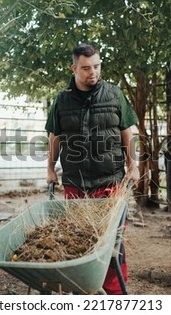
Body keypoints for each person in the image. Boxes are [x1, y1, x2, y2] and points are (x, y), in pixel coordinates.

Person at [45, 43, 140, 294]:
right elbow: (55, 136)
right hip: (75, 183)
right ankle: (83, 290)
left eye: (97, 66)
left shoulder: (114, 94)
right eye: (86, 68)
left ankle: (115, 292)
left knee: (111, 242)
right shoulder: (62, 100)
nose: (93, 72)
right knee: (78, 239)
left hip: (109, 183)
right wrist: (50, 169)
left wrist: (133, 165)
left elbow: (126, 133)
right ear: (73, 68)